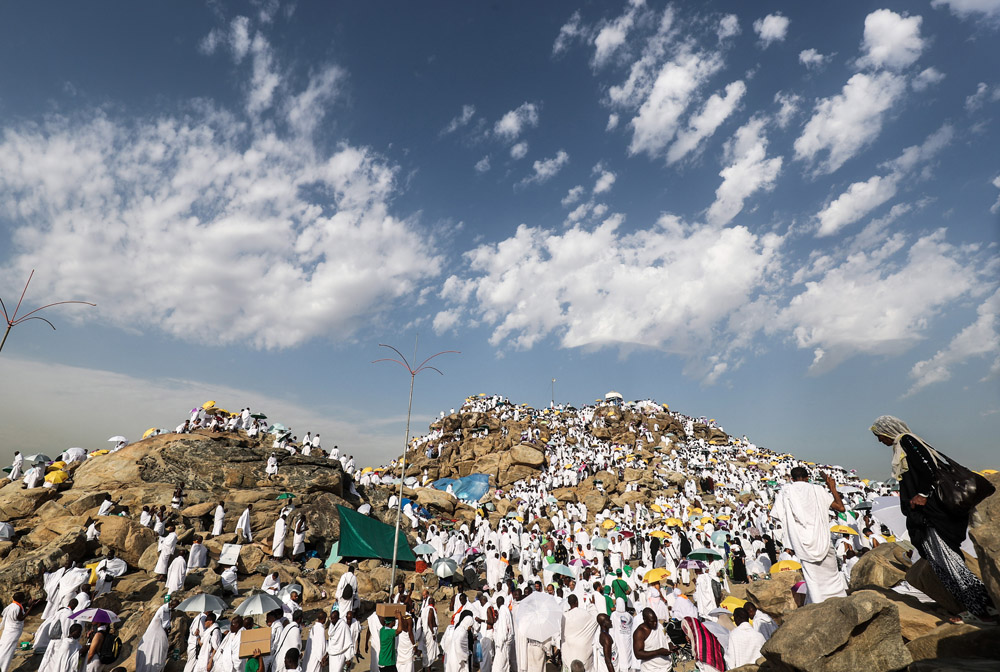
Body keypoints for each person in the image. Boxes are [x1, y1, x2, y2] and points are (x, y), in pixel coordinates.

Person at [871, 415, 996, 621]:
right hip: (925, 515)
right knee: (942, 562)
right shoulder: (903, 444)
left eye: (880, 435)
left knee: (949, 561)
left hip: (932, 514)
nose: (879, 440)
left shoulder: (906, 441)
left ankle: (982, 609)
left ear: (888, 430)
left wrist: (922, 494)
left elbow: (928, 466)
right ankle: (976, 606)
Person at [771, 466, 847, 604]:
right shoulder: (818, 489)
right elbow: (841, 508)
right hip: (822, 540)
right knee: (832, 577)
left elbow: (777, 515)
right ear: (807, 478)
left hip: (802, 543)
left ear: (792, 479)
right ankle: (840, 601)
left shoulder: (786, 491)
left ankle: (819, 606)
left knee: (813, 581)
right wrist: (832, 487)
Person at [560, 594, 598, 672]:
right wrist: (592, 605)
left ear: (569, 603)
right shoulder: (585, 614)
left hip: (569, 649)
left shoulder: (564, 616)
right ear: (577, 602)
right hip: (584, 650)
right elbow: (596, 618)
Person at [0, 592, 36, 672]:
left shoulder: (11, 606)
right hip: (12, 633)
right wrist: (31, 607)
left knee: (3, 649)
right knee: (7, 652)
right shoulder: (17, 608)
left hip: (8, 631)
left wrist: (28, 606)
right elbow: (20, 618)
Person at [632, 608, 674, 672]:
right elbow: (638, 654)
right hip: (651, 669)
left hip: (667, 667)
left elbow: (667, 639)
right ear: (644, 620)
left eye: (656, 620)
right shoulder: (640, 633)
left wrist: (671, 647)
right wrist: (658, 652)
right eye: (651, 621)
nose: (655, 623)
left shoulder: (660, 626)